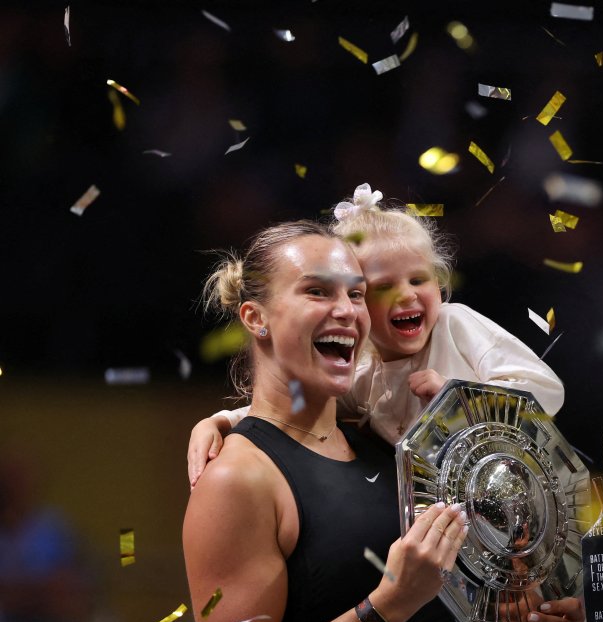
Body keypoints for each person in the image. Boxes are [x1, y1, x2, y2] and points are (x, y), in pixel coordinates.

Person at [187, 183, 566, 485]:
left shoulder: (455, 325)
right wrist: (222, 421)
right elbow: (295, 413)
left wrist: (459, 397)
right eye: (382, 287)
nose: (407, 294)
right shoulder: (360, 375)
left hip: (528, 499)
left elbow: (546, 390)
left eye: (419, 279)